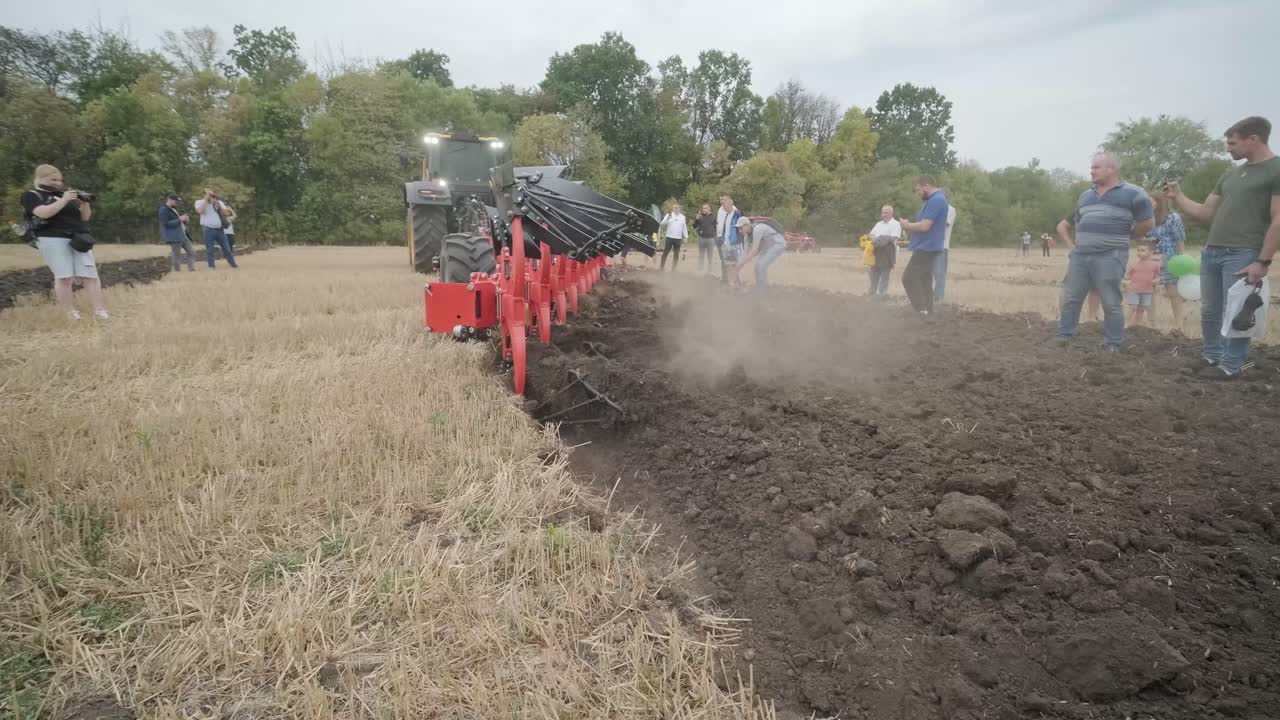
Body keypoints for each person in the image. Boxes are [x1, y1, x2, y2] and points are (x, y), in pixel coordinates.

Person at [1168, 115, 1280, 380]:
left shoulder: (1276, 170)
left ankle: (1231, 365)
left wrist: (1263, 261)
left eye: (1233, 143)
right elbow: (1206, 213)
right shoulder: (1230, 174)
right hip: (1212, 251)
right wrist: (1178, 196)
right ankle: (1212, 355)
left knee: (1238, 310)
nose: (1228, 149)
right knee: (1210, 309)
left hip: (1244, 252)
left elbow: (1278, 219)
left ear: (1254, 139)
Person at [1054, 153, 1154, 351]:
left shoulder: (1134, 193)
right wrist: (1076, 247)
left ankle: (1112, 344)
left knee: (1110, 301)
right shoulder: (1086, 195)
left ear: (1112, 169)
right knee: (1071, 297)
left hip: (1111, 255)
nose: (1091, 171)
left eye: (1096, 167)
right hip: (1081, 255)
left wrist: (1124, 236)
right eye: (1091, 168)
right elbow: (1079, 222)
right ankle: (1064, 336)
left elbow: (1147, 223)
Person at [20, 164, 108, 320]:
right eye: (53, 179)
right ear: (39, 178)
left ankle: (99, 311)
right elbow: (44, 213)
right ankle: (70, 313)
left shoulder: (62, 195)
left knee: (90, 275)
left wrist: (84, 203)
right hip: (52, 239)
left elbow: (84, 217)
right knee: (64, 277)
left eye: (59, 180)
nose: (57, 183)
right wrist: (64, 199)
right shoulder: (31, 195)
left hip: (79, 238)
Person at [898, 176, 950, 315]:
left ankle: (921, 311)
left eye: (919, 190)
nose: (918, 193)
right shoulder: (935, 200)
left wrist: (906, 225)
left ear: (926, 186)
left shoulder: (937, 200)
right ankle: (928, 312)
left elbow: (925, 226)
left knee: (908, 278)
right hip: (928, 246)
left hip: (928, 247)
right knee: (924, 280)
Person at [1148, 190, 1187, 326]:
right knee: (1148, 290)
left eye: (1150, 201)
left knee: (1172, 291)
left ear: (1159, 202)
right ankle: (1151, 323)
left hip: (1170, 258)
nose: (1147, 203)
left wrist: (1181, 260)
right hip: (1152, 258)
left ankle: (1179, 323)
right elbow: (1147, 240)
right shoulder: (1148, 218)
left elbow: (1180, 239)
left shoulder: (1173, 217)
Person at [734, 216, 786, 291]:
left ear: (747, 225)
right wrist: (738, 267)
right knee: (757, 266)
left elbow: (754, 251)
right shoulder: (746, 236)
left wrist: (742, 264)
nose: (739, 231)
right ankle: (760, 287)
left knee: (761, 265)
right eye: (738, 229)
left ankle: (762, 290)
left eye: (740, 228)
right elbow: (745, 253)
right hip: (768, 246)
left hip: (777, 244)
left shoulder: (757, 229)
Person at [194, 188, 238, 269]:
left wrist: (218, 206)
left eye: (212, 195)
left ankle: (233, 265)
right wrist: (206, 201)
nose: (211, 197)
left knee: (227, 248)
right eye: (209, 195)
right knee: (210, 249)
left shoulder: (219, 202)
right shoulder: (199, 202)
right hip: (208, 229)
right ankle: (211, 266)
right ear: (204, 195)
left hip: (219, 229)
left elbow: (227, 213)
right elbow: (200, 211)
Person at [868, 205, 901, 297]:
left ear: (891, 213)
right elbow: (871, 234)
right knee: (874, 272)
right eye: (882, 213)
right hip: (876, 250)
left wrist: (879, 239)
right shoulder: (879, 224)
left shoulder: (896, 224)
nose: (884, 215)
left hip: (888, 251)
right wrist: (876, 240)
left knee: (885, 274)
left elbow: (893, 238)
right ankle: (872, 293)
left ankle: (882, 295)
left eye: (886, 213)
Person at [1124, 244, 1161, 327]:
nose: (1139, 252)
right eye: (1138, 250)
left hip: (1147, 291)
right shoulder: (1133, 264)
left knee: (1143, 309)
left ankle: (1138, 325)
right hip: (1134, 290)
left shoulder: (1155, 265)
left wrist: (1157, 281)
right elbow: (1127, 276)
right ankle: (1125, 324)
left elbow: (1158, 276)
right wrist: (1126, 284)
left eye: (1143, 250)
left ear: (1151, 252)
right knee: (1132, 307)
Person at [158, 194, 196, 272]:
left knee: (192, 252)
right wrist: (180, 219)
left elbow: (178, 221)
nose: (177, 203)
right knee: (176, 255)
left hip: (183, 234)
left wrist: (184, 220)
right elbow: (166, 224)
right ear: (170, 200)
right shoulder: (163, 209)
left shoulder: (174, 209)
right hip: (174, 236)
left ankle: (191, 269)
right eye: (176, 201)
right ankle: (177, 272)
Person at [716, 194, 743, 286]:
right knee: (727, 264)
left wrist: (739, 241)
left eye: (724, 205)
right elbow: (724, 228)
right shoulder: (726, 214)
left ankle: (737, 282)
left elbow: (741, 229)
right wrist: (723, 240)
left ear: (729, 204)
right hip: (725, 243)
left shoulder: (737, 214)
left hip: (734, 243)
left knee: (735, 264)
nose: (723, 207)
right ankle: (729, 282)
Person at [934, 199, 957, 303]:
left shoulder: (950, 209)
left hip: (941, 246)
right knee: (928, 273)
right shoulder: (933, 208)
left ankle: (938, 298)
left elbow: (942, 226)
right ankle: (928, 298)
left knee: (939, 273)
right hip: (929, 246)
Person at [658, 203, 688, 271]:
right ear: (672, 208)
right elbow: (662, 224)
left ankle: (673, 269)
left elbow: (684, 227)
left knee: (676, 254)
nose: (676, 209)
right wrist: (667, 219)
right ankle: (661, 268)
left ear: (679, 209)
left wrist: (686, 237)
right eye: (674, 208)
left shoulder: (682, 217)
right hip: (669, 237)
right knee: (665, 253)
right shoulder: (669, 215)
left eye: (677, 208)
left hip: (678, 238)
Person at [693, 203, 718, 274]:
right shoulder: (700, 217)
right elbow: (694, 226)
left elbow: (716, 228)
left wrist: (715, 238)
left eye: (706, 208)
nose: (704, 209)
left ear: (709, 208)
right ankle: (701, 269)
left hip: (711, 239)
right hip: (702, 239)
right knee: (701, 255)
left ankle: (709, 270)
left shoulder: (713, 217)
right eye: (703, 208)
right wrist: (696, 219)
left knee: (710, 256)